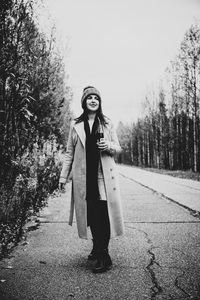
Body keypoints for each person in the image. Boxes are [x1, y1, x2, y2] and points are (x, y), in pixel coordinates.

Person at [59, 86, 124, 273]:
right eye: (90, 98)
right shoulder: (76, 125)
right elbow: (69, 153)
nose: (93, 100)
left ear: (100, 102)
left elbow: (118, 148)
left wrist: (108, 145)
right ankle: (97, 247)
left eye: (96, 97)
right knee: (92, 215)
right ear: (84, 102)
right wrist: (63, 177)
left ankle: (104, 255)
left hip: (103, 176)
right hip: (84, 177)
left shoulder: (107, 123)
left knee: (103, 214)